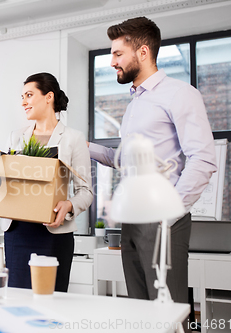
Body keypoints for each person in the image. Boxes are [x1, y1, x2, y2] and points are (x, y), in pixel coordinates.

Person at [88, 17, 217, 303]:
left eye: (118, 53)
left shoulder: (180, 94)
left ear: (143, 52)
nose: (112, 62)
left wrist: (168, 213)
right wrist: (83, 146)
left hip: (163, 219)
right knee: (140, 309)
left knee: (169, 309)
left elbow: (203, 159)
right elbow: (126, 161)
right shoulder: (136, 103)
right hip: (132, 219)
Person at [0, 73, 93, 292]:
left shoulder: (73, 138)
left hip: (53, 233)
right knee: (18, 298)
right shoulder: (15, 137)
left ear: (48, 97)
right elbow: (6, 179)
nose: (23, 102)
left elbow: (86, 191)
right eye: (22, 96)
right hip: (17, 232)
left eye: (29, 95)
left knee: (50, 299)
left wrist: (69, 205)